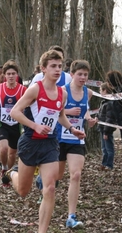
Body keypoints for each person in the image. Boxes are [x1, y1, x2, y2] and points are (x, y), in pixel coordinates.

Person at [2, 50, 86, 233]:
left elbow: (60, 115)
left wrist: (72, 129)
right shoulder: (35, 89)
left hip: (50, 144)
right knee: (23, 191)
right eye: (53, 66)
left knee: (49, 188)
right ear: (43, 69)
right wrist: (35, 125)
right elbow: (15, 112)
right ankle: (12, 173)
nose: (57, 70)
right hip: (30, 141)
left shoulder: (62, 94)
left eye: (59, 66)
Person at [36, 60, 97, 228]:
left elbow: (86, 111)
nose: (83, 77)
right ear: (72, 75)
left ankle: (71, 216)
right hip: (59, 137)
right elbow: (55, 112)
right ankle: (44, 183)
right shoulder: (62, 92)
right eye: (80, 74)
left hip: (77, 139)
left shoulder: (88, 93)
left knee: (76, 174)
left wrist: (90, 119)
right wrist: (68, 112)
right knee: (57, 177)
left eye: (85, 75)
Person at [0, 61, 26, 182]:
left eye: (13, 73)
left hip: (16, 125)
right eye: (8, 74)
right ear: (4, 76)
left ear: (17, 75)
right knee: (3, 149)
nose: (11, 76)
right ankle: (4, 168)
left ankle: (9, 173)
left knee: (12, 154)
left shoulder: (23, 90)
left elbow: (27, 106)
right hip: (3, 123)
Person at [97, 82, 116, 170]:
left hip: (107, 130)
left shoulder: (110, 103)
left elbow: (109, 118)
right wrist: (97, 117)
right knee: (104, 148)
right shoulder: (104, 102)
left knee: (109, 148)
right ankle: (104, 164)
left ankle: (109, 165)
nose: (100, 92)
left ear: (105, 90)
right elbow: (102, 114)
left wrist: (106, 132)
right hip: (102, 128)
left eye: (101, 90)